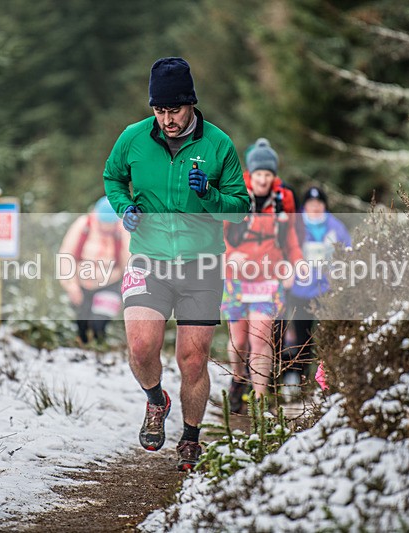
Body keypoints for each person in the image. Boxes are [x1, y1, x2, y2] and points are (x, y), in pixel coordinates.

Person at [103, 57, 250, 471]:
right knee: (141, 345)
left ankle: (190, 436)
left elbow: (240, 209)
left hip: (201, 266)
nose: (167, 119)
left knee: (193, 357)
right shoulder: (133, 139)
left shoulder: (218, 144)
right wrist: (123, 206)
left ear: (191, 104)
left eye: (174, 110)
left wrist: (210, 196)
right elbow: (112, 177)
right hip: (149, 258)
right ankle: (156, 401)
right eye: (159, 110)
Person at [222, 138, 301, 412]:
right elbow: (218, 234)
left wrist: (294, 265)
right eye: (259, 174)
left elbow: (291, 240)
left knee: (260, 337)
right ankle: (237, 378)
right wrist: (230, 254)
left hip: (268, 279)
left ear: (273, 176)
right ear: (251, 173)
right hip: (236, 278)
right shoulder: (236, 198)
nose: (264, 179)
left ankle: (258, 396)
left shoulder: (281, 203)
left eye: (268, 174)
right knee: (239, 341)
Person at [287, 186, 351, 385]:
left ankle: (326, 381)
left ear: (324, 205)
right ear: (304, 205)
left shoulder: (336, 227)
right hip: (300, 290)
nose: (315, 207)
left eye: (319, 203)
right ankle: (299, 379)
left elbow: (347, 252)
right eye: (310, 203)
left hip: (327, 291)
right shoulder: (295, 225)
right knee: (301, 338)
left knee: (327, 336)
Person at [58, 196, 129, 345]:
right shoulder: (83, 225)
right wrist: (71, 286)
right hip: (81, 281)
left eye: (111, 223)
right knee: (82, 324)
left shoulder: (122, 230)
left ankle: (99, 350)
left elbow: (129, 260)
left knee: (99, 324)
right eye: (104, 223)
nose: (107, 228)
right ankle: (84, 351)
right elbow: (66, 256)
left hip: (110, 282)